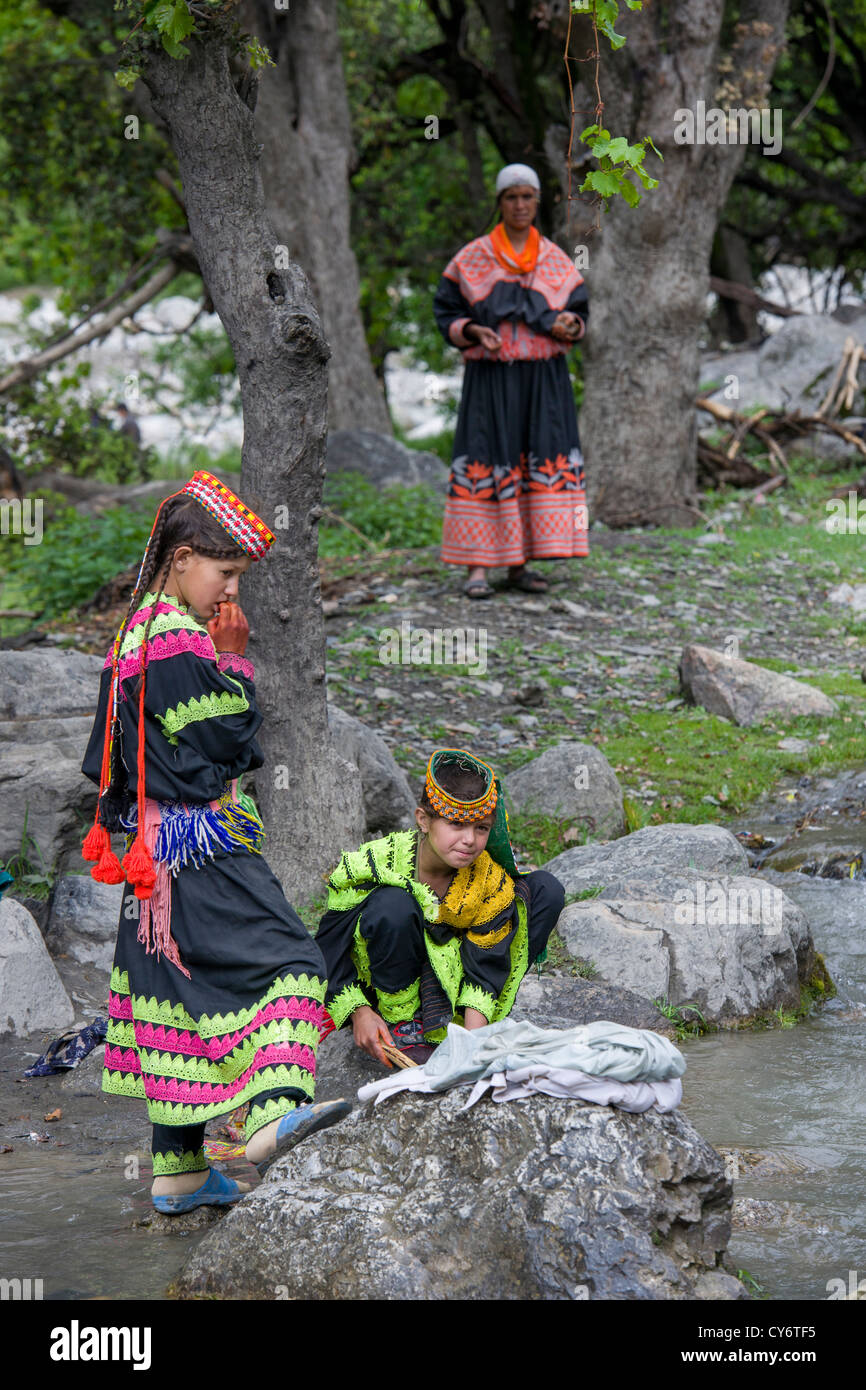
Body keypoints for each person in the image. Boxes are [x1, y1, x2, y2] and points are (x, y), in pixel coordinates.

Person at [81, 470, 349, 1213]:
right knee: (292, 961)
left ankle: (181, 1175)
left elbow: (100, 762)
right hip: (202, 845)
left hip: (149, 855)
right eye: (224, 573)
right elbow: (223, 738)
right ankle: (272, 1120)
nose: (230, 594)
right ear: (182, 557)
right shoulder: (177, 637)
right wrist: (232, 661)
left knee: (177, 997)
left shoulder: (130, 634)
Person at [316, 749, 565, 1065]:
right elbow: (330, 945)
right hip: (386, 979)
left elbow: (487, 954)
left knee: (545, 890)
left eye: (481, 828)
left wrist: (472, 1046)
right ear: (423, 820)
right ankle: (404, 1024)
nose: (469, 841)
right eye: (456, 824)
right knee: (393, 904)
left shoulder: (486, 877)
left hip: (457, 979)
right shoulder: (375, 862)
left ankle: (461, 1022)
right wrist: (358, 1012)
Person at [433, 163, 589, 600]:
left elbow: (579, 312)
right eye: (511, 197)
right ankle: (478, 567)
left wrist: (570, 326)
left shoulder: (555, 259)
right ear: (499, 203)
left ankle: (520, 564)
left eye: (527, 197)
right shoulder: (473, 258)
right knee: (487, 456)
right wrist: (473, 330)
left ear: (537, 202)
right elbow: (445, 310)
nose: (520, 205)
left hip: (544, 378)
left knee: (530, 460)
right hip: (491, 377)